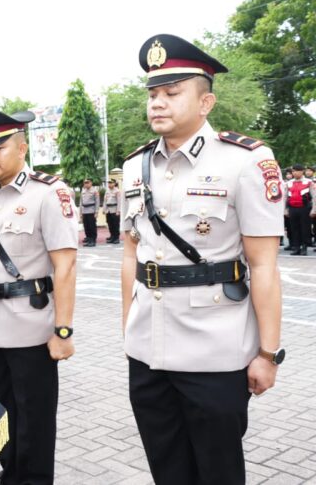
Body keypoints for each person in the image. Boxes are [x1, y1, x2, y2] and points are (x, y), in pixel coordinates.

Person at [120, 34, 284, 485]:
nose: (158, 103)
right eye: (153, 94)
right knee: (167, 471)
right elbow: (130, 254)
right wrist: (127, 332)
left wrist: (267, 353)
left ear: (206, 101)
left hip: (216, 352)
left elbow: (265, 265)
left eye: (172, 93)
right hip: (148, 352)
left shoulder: (246, 161)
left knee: (217, 473)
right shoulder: (135, 167)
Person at [0, 107, 77, 485]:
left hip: (31, 330)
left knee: (35, 421)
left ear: (22, 147)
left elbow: (66, 266)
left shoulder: (48, 193)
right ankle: (11, 478)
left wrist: (63, 331)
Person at [285, 164, 312, 255]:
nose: (294, 173)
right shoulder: (288, 183)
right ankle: (296, 247)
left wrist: (314, 210)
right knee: (294, 228)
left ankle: (304, 247)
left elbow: (314, 197)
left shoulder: (309, 182)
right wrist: (285, 210)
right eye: (293, 171)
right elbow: (285, 197)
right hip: (292, 208)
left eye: (296, 171)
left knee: (305, 228)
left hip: (304, 208)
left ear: (302, 171)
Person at [79, 178, 100, 246]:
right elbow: (81, 202)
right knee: (86, 226)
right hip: (84, 211)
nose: (86, 184)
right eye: (85, 183)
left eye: (87, 182)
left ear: (91, 183)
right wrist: (80, 212)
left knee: (92, 226)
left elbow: (97, 202)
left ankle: (93, 240)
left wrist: (96, 212)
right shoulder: (83, 191)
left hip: (91, 210)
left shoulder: (95, 191)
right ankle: (88, 239)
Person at [102, 178, 121, 244]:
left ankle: (116, 238)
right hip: (108, 210)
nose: (109, 184)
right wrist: (104, 209)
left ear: (114, 183)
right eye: (109, 183)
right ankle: (112, 236)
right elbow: (105, 201)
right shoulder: (107, 191)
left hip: (114, 209)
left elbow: (119, 202)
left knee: (115, 225)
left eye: (111, 183)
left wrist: (118, 211)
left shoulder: (117, 191)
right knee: (110, 224)